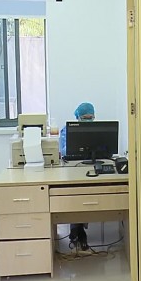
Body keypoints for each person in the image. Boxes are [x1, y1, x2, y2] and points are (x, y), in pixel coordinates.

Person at [58, 102, 96, 250]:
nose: (89, 120)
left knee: (90, 194)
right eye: (85, 118)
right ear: (78, 117)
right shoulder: (66, 130)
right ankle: (76, 229)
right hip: (72, 168)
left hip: (91, 167)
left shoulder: (97, 130)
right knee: (76, 194)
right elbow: (63, 151)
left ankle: (79, 230)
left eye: (91, 117)